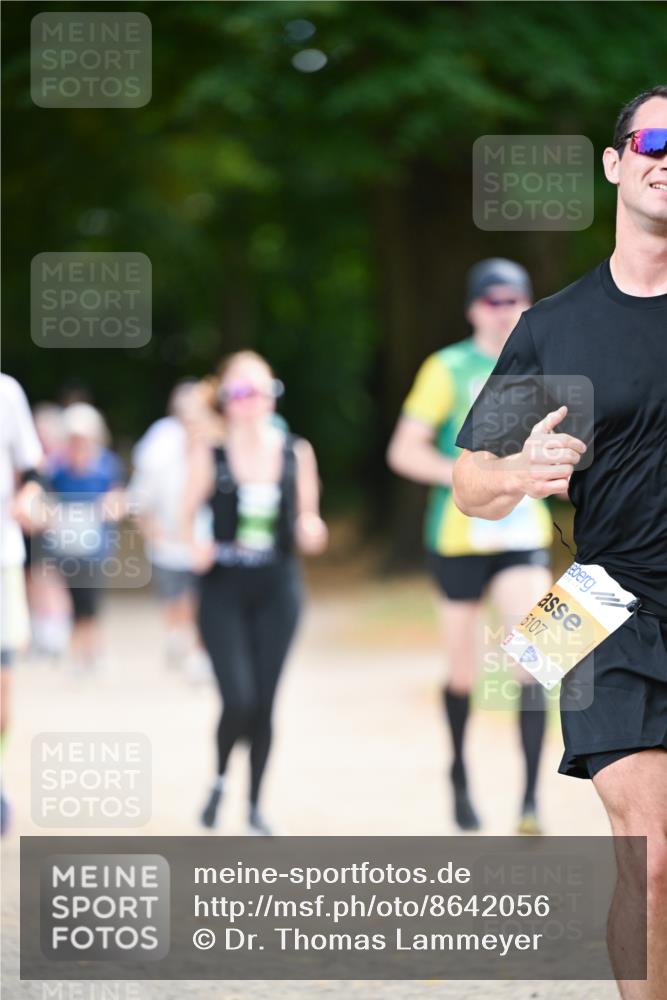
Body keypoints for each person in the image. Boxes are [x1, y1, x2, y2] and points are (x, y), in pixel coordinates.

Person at [452, 86, 667, 999]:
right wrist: (519, 471)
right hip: (599, 601)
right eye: (654, 137)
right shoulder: (553, 328)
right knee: (650, 858)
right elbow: (469, 483)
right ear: (615, 162)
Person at [387, 259, 553, 834]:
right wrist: (465, 479)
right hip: (458, 536)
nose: (503, 310)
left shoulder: (548, 362)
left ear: (529, 304)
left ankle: (530, 802)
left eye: (514, 300)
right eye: (492, 300)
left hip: (523, 535)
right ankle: (458, 773)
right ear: (472, 308)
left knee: (537, 658)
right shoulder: (447, 366)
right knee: (462, 671)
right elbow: (402, 450)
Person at [182, 350, 328, 835]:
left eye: (261, 390)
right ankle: (220, 780)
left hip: (278, 586)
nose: (251, 400)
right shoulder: (210, 452)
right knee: (238, 698)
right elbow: (183, 516)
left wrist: (311, 529)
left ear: (273, 394)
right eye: (239, 392)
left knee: (266, 701)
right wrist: (195, 543)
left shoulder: (296, 452)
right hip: (224, 586)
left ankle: (254, 806)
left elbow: (310, 517)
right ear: (224, 399)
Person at [130, 380, 211, 680]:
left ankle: (199, 653)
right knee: (175, 597)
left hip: (205, 539)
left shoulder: (215, 442)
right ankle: (179, 638)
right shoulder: (160, 444)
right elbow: (141, 494)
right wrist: (151, 530)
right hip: (169, 539)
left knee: (201, 598)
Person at [45, 403, 125, 672]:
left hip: (95, 544)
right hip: (66, 542)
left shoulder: (105, 464)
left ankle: (93, 650)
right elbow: (47, 497)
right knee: (74, 599)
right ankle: (80, 652)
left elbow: (117, 496)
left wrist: (111, 505)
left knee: (91, 599)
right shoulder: (57, 467)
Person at [0, 374, 43, 834]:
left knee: (2, 689)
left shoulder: (7, 391)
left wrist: (29, 493)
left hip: (2, 556)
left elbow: (32, 466)